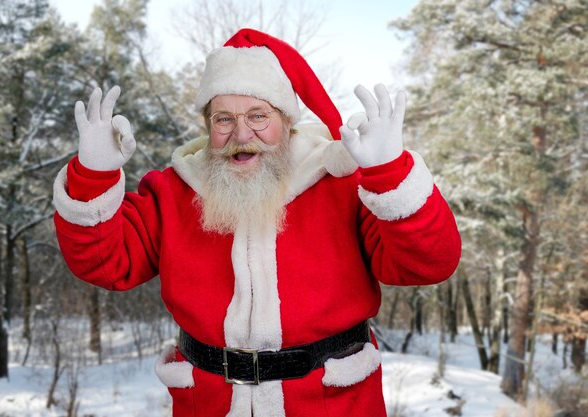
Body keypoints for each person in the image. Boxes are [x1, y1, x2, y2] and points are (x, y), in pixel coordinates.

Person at [53, 28, 461, 417]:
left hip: (332, 405)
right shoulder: (174, 191)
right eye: (223, 119)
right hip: (208, 406)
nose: (241, 132)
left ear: (286, 121)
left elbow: (427, 263)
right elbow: (105, 264)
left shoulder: (341, 184)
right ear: (208, 126)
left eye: (258, 115)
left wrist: (389, 172)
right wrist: (93, 175)